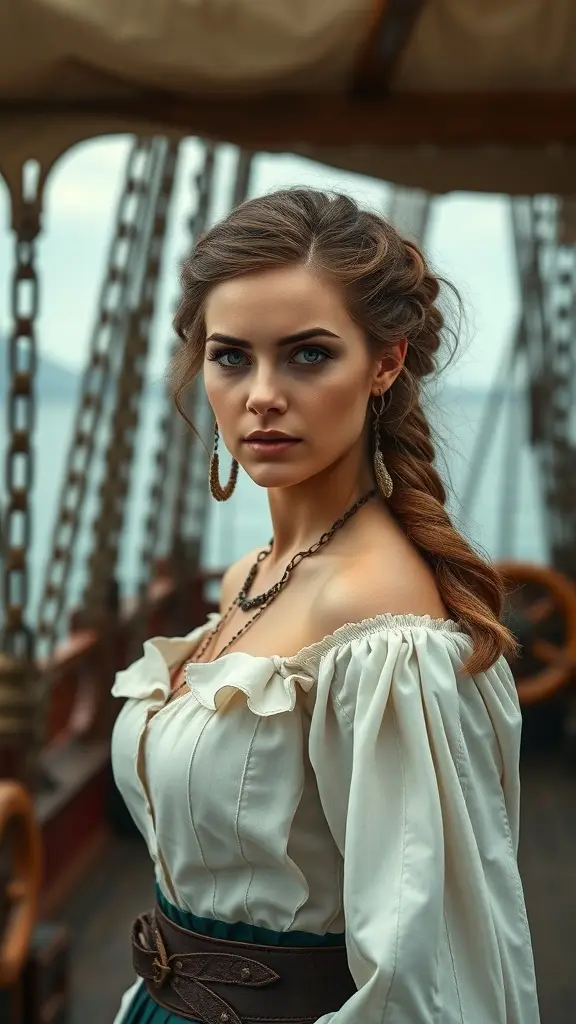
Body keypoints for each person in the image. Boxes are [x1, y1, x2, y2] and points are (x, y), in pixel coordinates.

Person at [111, 188, 540, 1023]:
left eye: (308, 356)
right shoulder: (250, 577)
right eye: (231, 357)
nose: (260, 395)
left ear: (385, 362)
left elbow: (426, 960)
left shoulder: (376, 614)